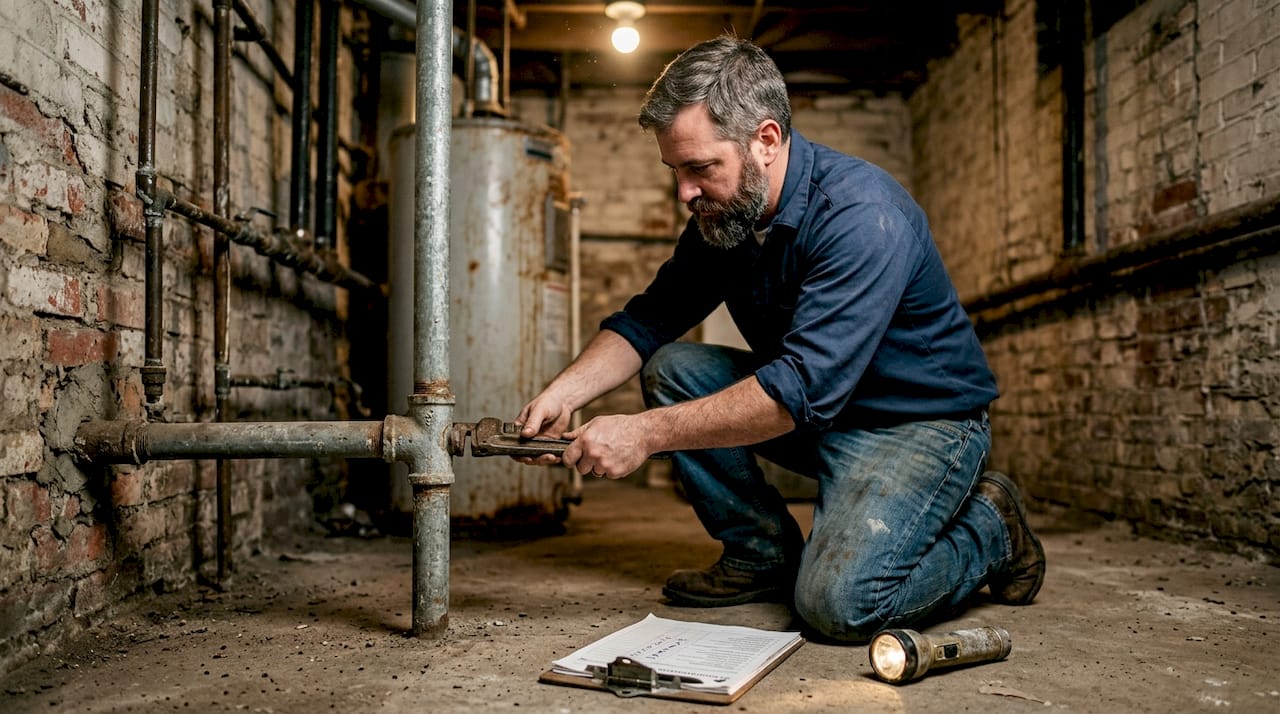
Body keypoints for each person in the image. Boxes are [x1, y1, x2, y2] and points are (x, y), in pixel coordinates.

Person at [515, 34, 1045, 643]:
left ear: (765, 140)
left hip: (918, 425)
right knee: (672, 365)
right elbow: (647, 320)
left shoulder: (862, 216)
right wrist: (565, 392)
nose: (683, 191)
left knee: (839, 606)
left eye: (700, 168)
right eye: (675, 171)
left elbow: (797, 390)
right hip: (826, 414)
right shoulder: (727, 218)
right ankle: (760, 555)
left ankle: (993, 526)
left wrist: (642, 434)